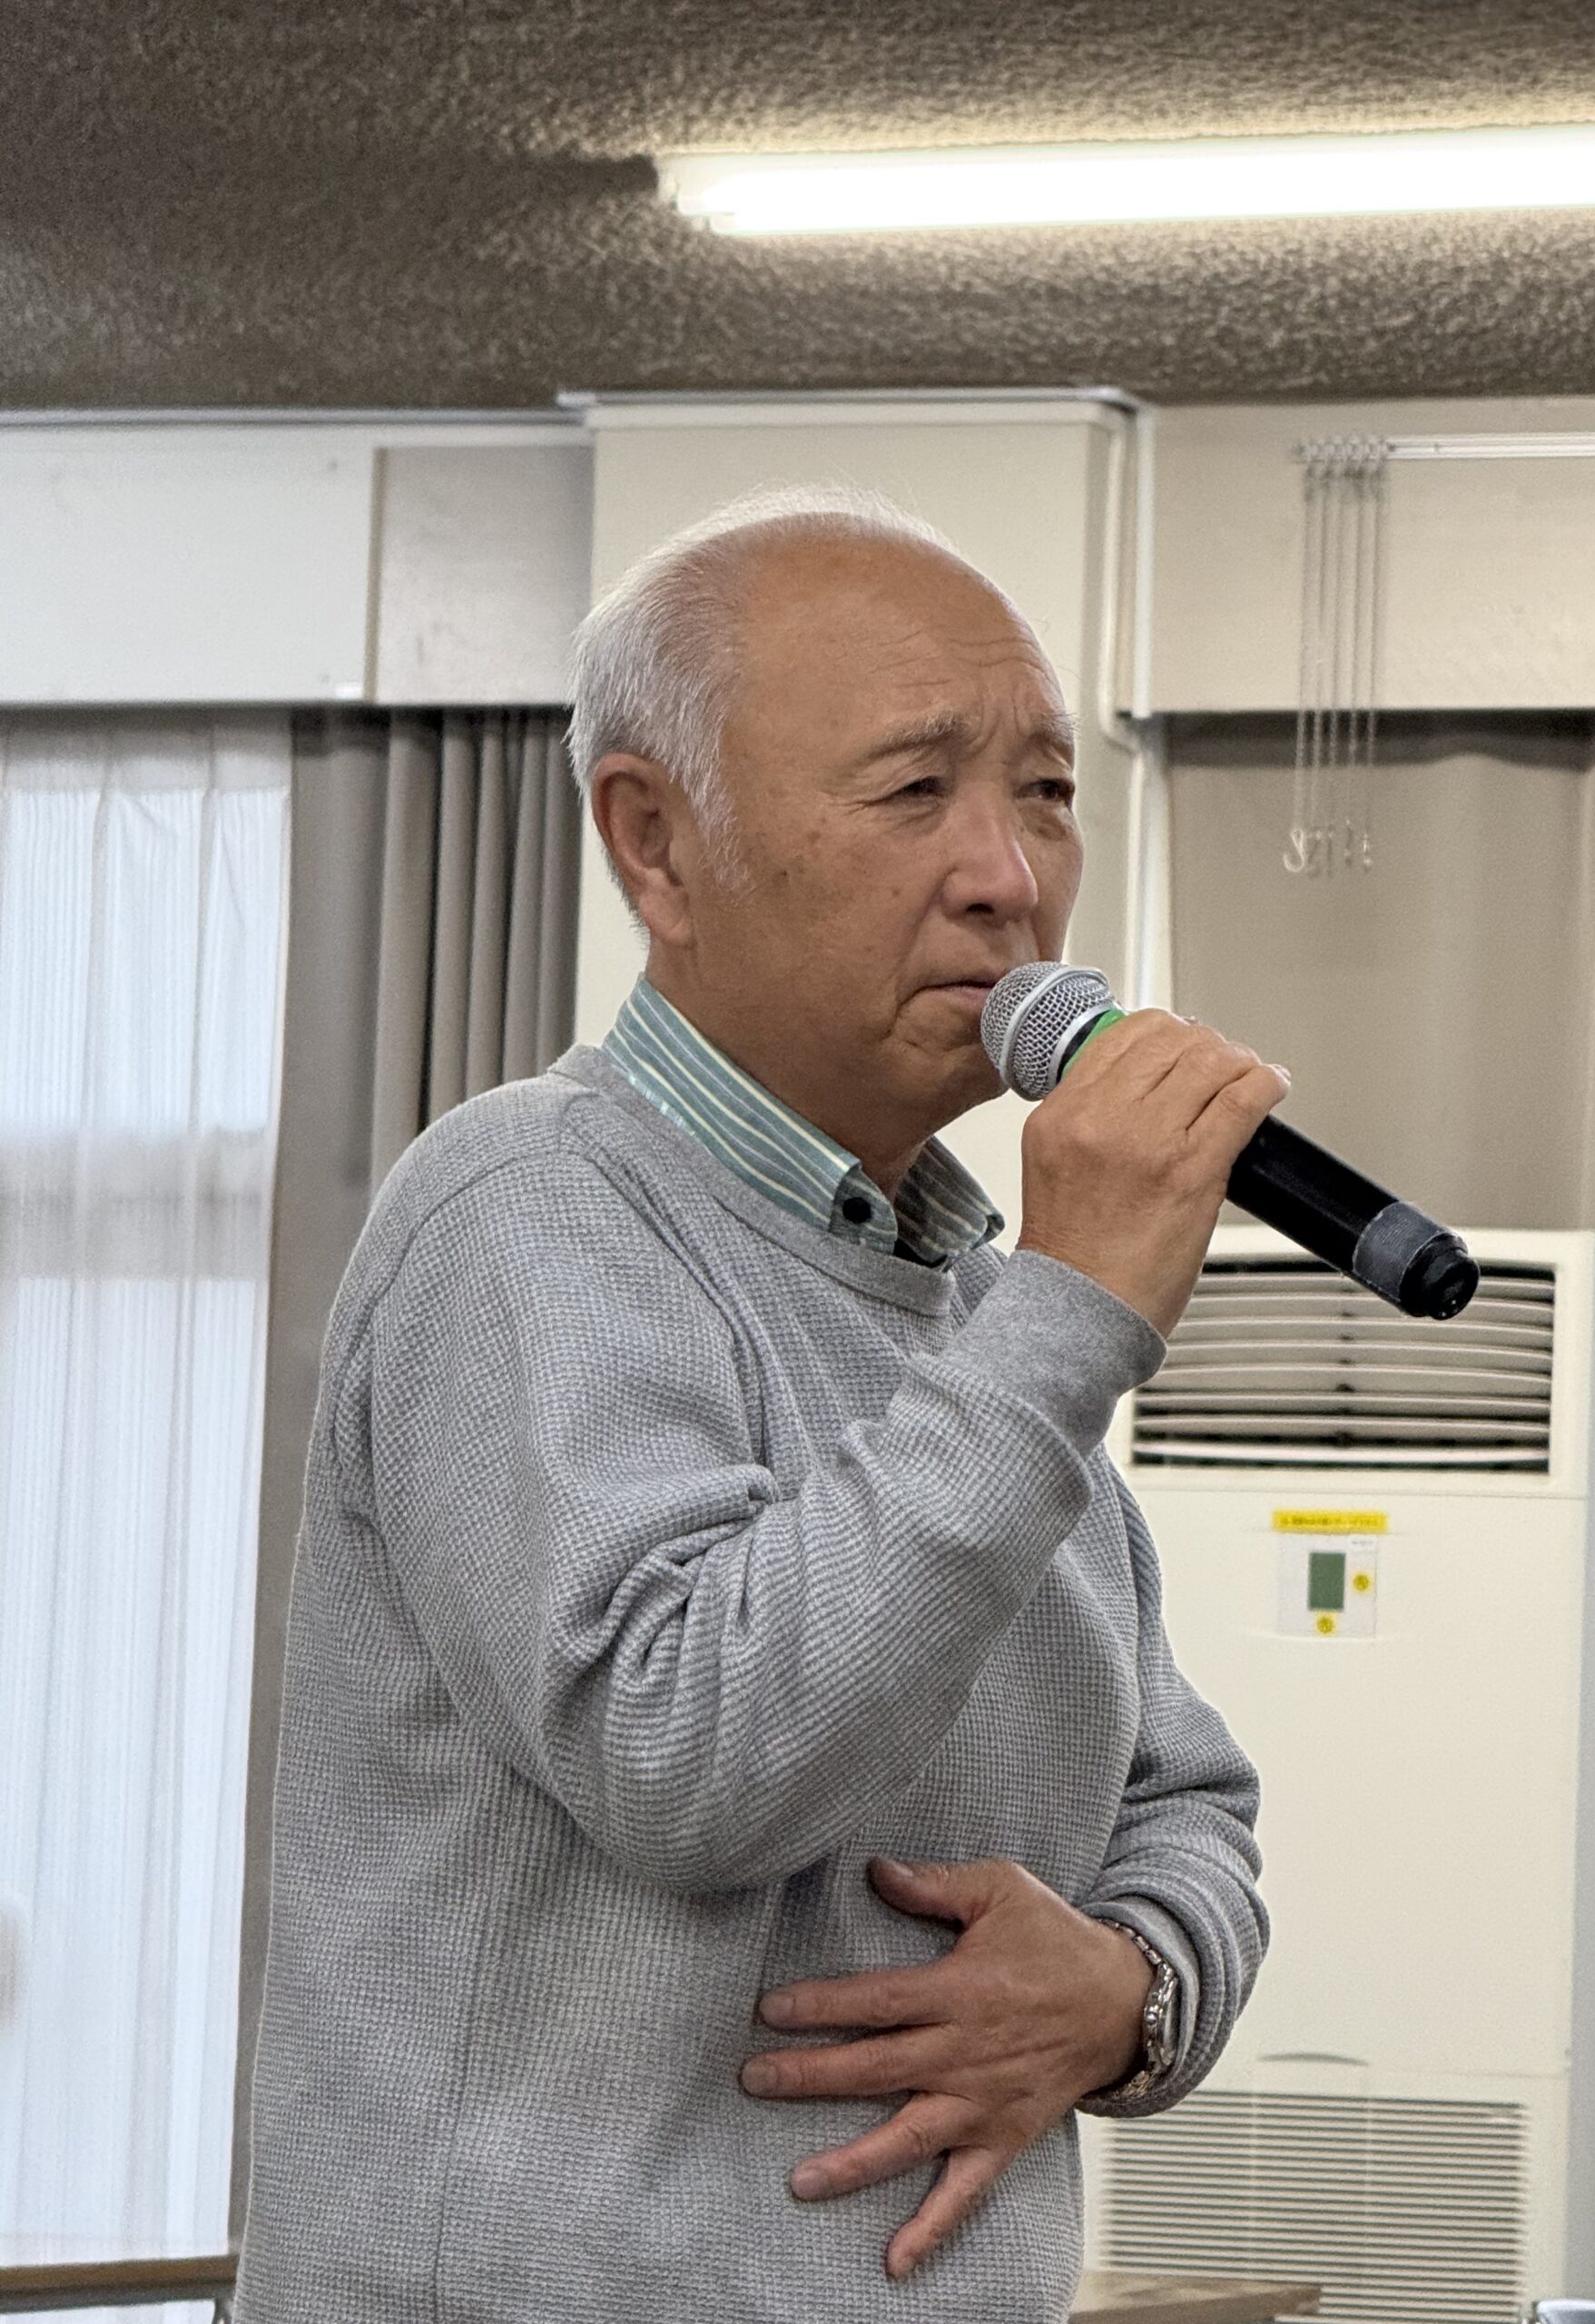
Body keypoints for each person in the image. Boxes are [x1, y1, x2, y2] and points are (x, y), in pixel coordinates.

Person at [235, 486, 1285, 2324]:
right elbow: (692, 1760)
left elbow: (1181, 1794)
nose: (1011, 875)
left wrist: (1130, 1987)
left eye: (1046, 789)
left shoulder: (975, 1307)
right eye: (916, 789)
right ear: (656, 844)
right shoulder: (528, 1206)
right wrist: (1071, 1313)